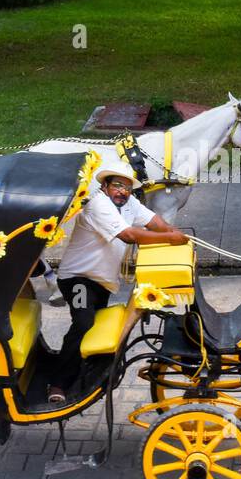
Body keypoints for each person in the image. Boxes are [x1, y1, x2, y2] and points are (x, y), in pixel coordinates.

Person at [49, 165, 188, 404]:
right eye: (117, 185)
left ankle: (89, 373)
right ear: (104, 187)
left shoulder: (130, 203)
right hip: (77, 279)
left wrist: (176, 235)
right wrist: (170, 238)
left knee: (98, 332)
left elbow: (157, 223)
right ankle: (58, 382)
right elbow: (129, 235)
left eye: (126, 187)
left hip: (103, 284)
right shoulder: (98, 205)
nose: (122, 191)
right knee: (83, 321)